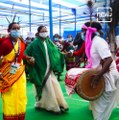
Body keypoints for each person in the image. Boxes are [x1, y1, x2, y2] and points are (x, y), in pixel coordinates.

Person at [24, 25, 69, 114]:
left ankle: (54, 104)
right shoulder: (34, 44)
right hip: (40, 69)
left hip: (49, 68)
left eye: (46, 31)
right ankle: (52, 106)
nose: (45, 33)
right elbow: (25, 54)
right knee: (46, 87)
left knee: (53, 85)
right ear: (38, 33)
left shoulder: (49, 42)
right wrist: (30, 59)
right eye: (43, 31)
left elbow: (56, 52)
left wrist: (63, 55)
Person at [82, 21, 119, 120]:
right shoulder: (91, 42)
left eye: (83, 31)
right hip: (100, 74)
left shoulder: (99, 42)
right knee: (97, 104)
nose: (82, 34)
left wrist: (98, 76)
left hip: (107, 75)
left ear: (89, 31)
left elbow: (109, 59)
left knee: (101, 107)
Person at [0, 22, 33, 120]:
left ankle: (20, 116)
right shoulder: (4, 43)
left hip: (19, 73)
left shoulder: (22, 42)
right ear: (9, 31)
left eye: (18, 28)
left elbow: (20, 55)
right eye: (14, 28)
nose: (17, 30)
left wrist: (27, 58)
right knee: (9, 97)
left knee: (21, 95)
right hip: (6, 74)